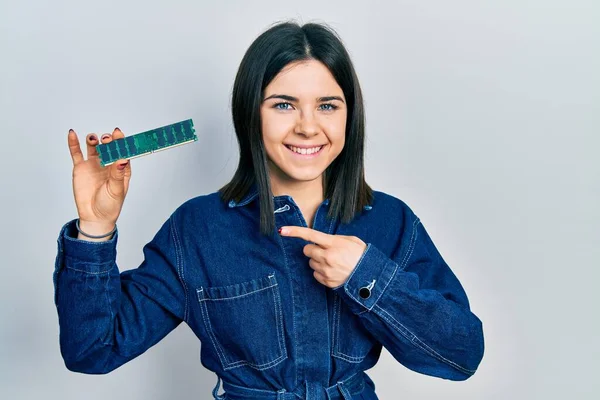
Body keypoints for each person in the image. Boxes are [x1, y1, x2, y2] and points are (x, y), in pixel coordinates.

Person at [54, 21, 484, 400]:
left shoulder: (390, 221)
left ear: (349, 116)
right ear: (251, 114)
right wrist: (95, 229)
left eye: (327, 106)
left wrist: (366, 275)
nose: (308, 126)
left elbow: (461, 356)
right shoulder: (198, 230)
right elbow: (93, 350)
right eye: (283, 104)